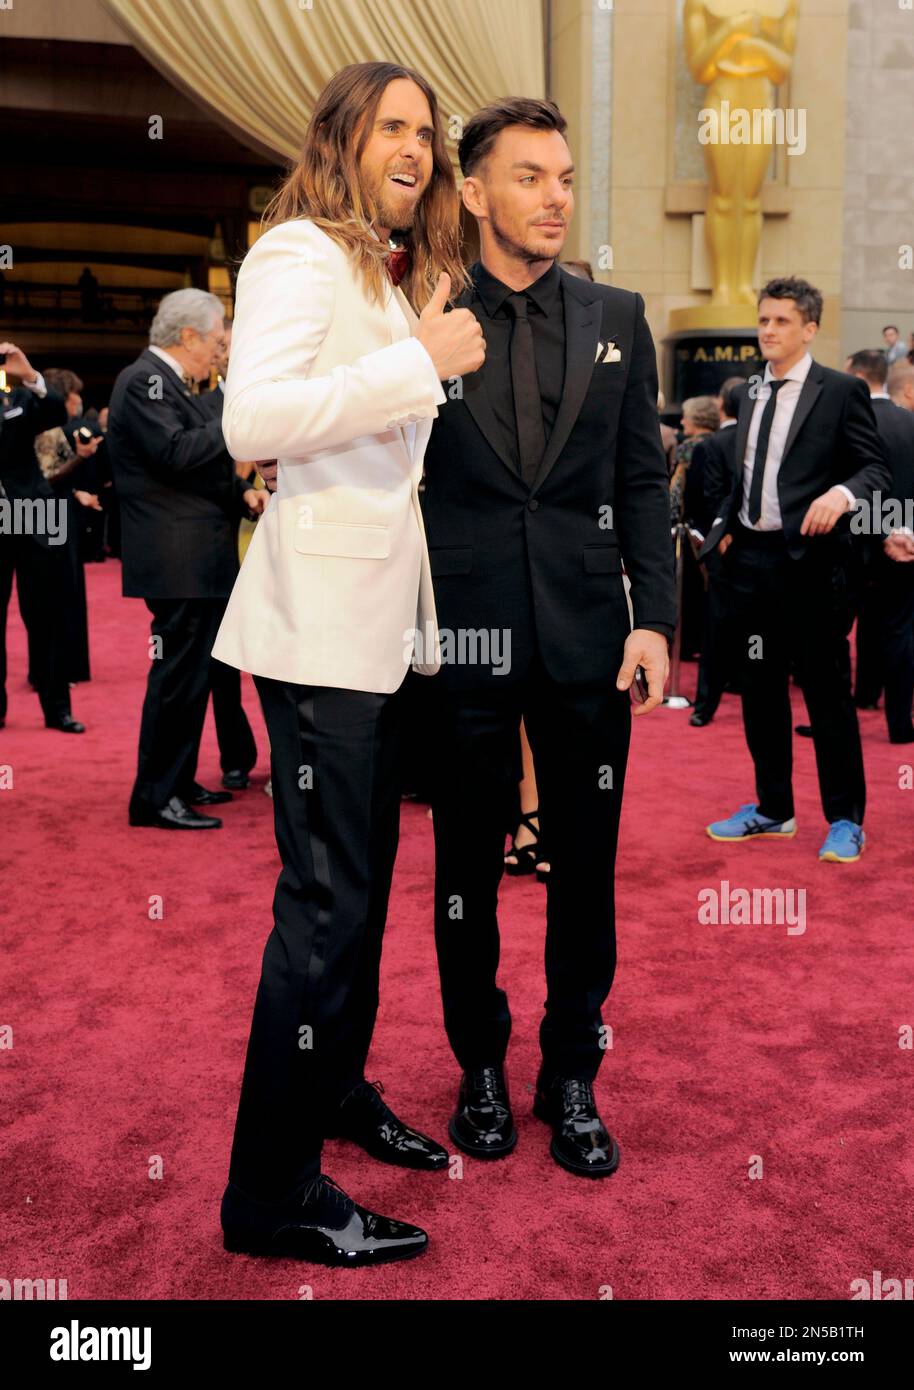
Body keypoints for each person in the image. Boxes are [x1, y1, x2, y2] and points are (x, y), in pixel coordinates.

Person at [212, 62, 485, 1265]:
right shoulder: (296, 254)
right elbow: (250, 422)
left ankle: (334, 1094)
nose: (417, 148)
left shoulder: (379, 265)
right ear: (343, 137)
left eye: (427, 131)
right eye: (393, 127)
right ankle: (269, 1196)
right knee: (322, 916)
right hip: (318, 628)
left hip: (378, 631)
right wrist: (414, 360)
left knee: (357, 904)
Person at [419, 98, 674, 1178]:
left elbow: (639, 482)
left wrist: (655, 616)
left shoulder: (616, 309)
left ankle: (570, 1071)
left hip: (587, 637)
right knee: (463, 865)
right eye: (527, 177)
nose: (553, 197)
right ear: (472, 191)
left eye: (563, 177)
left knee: (586, 869)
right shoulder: (419, 315)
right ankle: (477, 1061)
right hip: (459, 639)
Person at [702, 278, 891, 862]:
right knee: (759, 691)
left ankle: (844, 819)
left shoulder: (839, 391)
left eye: (782, 321)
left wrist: (842, 492)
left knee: (827, 695)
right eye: (763, 320)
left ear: (809, 329)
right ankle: (773, 809)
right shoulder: (753, 391)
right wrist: (724, 529)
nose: (768, 330)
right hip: (753, 565)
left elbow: (875, 470)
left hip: (810, 568)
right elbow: (745, 471)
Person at [107, 289, 267, 830]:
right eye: (218, 340)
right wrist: (233, 407)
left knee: (191, 679)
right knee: (177, 680)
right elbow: (176, 453)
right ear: (190, 336)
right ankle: (154, 797)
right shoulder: (143, 381)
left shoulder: (167, 383)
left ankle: (174, 781)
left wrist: (238, 494)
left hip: (193, 556)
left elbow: (191, 462)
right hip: (178, 558)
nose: (221, 351)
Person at [0, 341, 84, 733]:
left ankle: (58, 708)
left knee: (49, 615)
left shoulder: (18, 396)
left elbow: (53, 412)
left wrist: (29, 373)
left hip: (33, 511)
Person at [847, 351, 914, 743]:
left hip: (854, 543)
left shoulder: (849, 422)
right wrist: (904, 531)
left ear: (856, 377)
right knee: (898, 629)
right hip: (904, 546)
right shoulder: (910, 421)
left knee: (838, 631)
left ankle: (851, 707)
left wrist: (877, 531)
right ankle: (899, 723)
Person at [687, 376, 745, 725]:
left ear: (722, 405)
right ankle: (741, 682)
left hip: (723, 549)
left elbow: (705, 497)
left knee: (716, 627)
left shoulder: (712, 444)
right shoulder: (760, 440)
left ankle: (705, 704)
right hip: (759, 548)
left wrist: (719, 533)